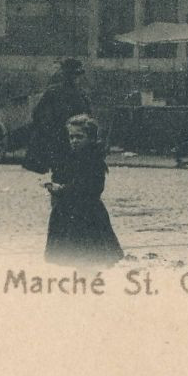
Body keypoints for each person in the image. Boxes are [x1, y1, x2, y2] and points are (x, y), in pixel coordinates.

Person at [43, 114, 123, 266]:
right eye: (71, 137)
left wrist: (62, 189)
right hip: (69, 214)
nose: (74, 141)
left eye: (79, 137)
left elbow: (91, 187)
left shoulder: (93, 160)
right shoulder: (71, 158)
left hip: (87, 216)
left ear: (91, 138)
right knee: (74, 260)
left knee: (88, 259)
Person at [23, 57, 92, 175]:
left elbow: (89, 117)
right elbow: (38, 114)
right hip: (59, 139)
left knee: (68, 171)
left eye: (78, 75)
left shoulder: (81, 94)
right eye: (74, 75)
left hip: (71, 139)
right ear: (66, 75)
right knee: (62, 171)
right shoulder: (56, 92)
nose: (77, 79)